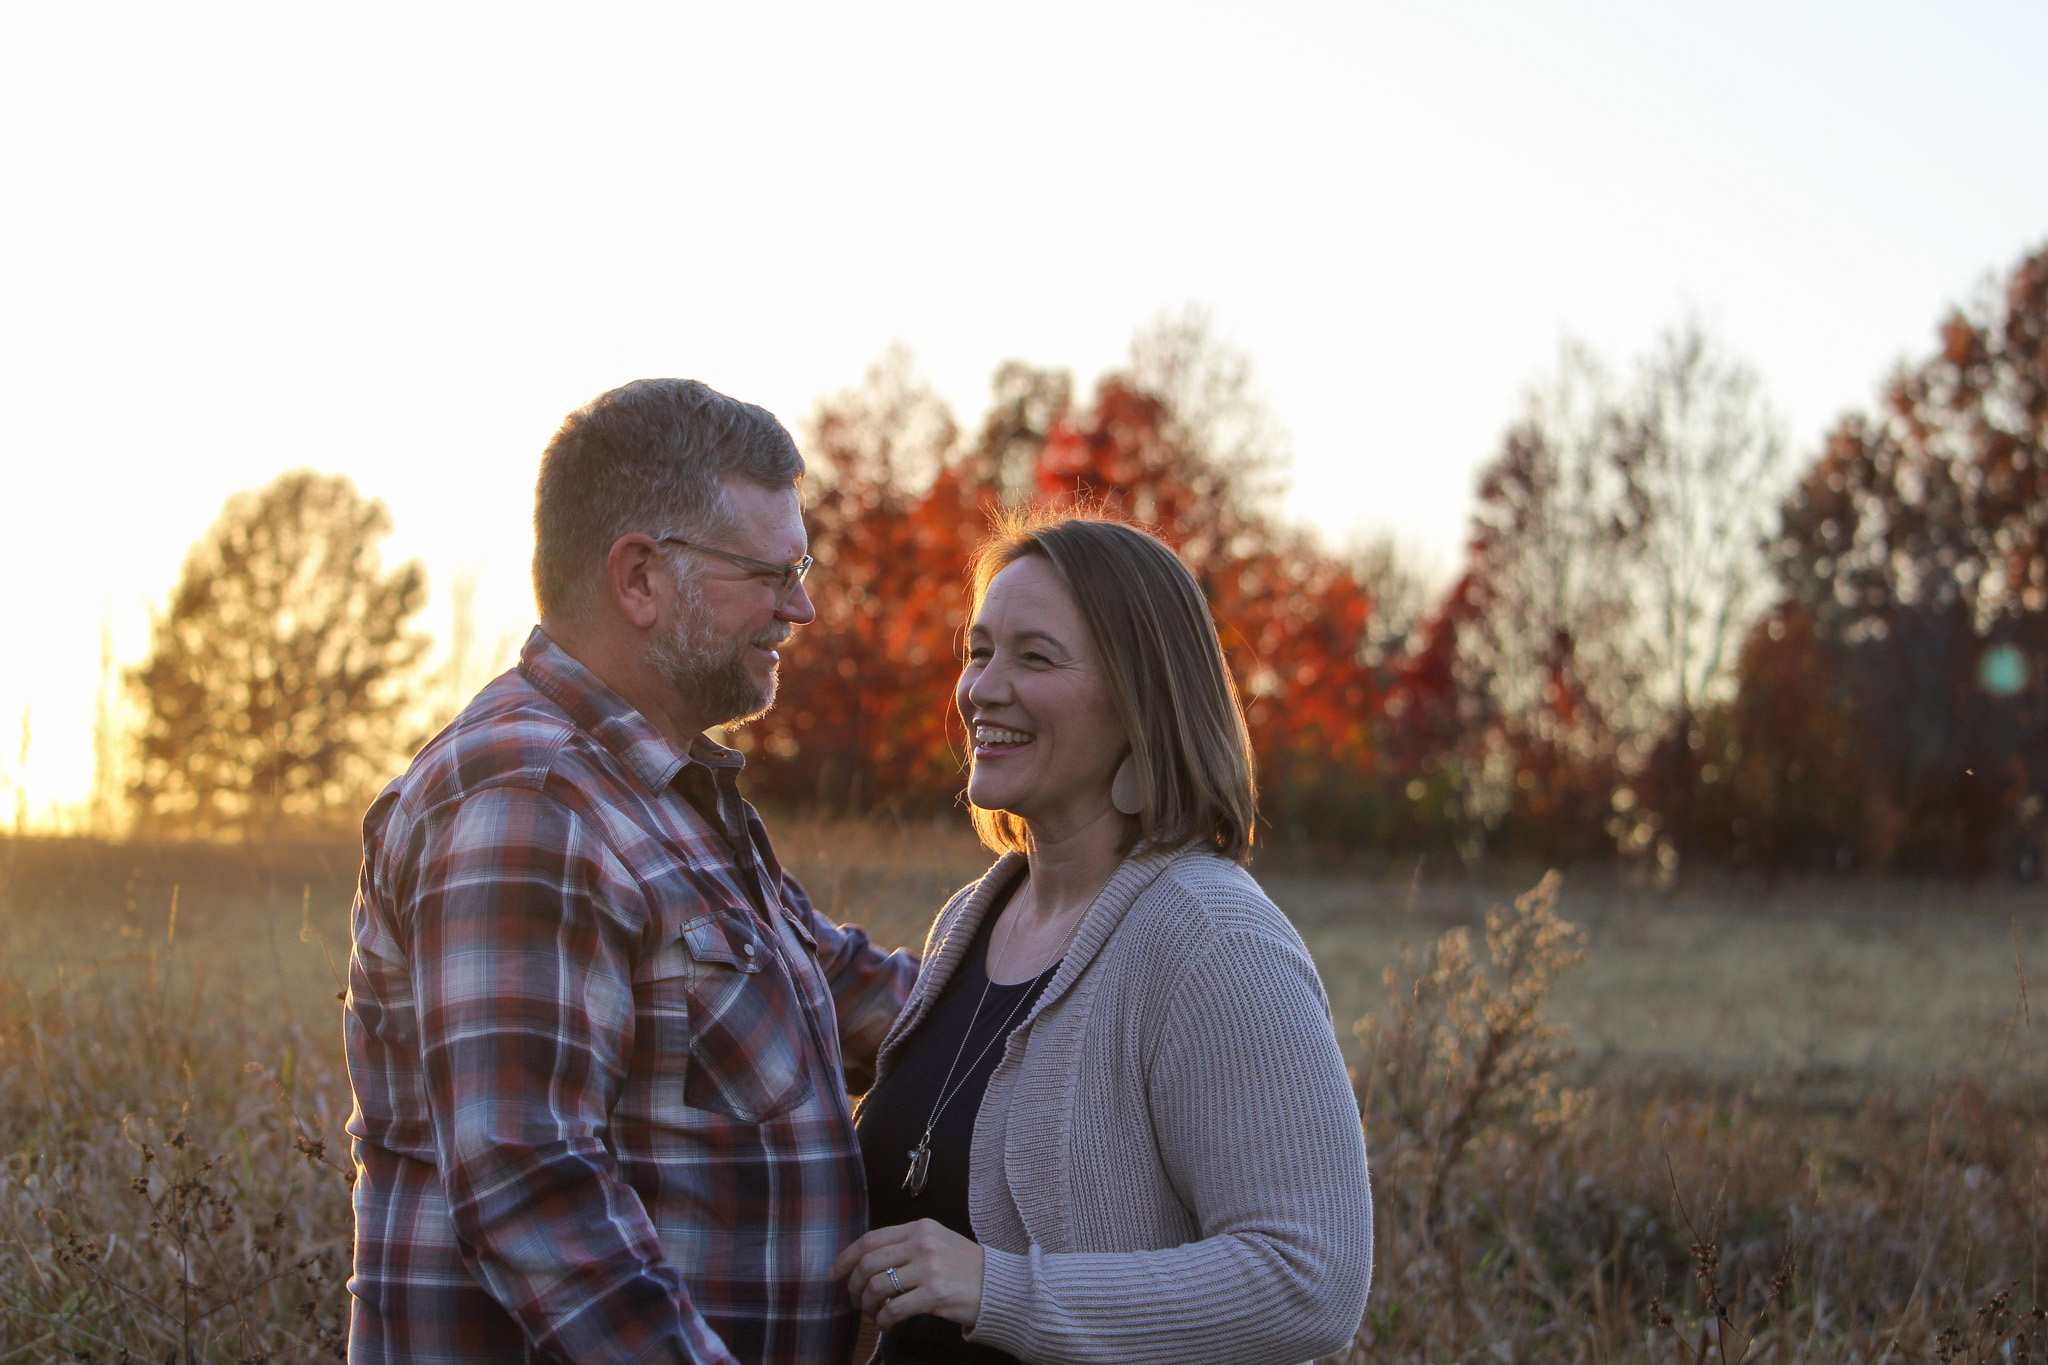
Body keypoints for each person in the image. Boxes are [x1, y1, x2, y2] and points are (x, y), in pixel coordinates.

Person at [345, 379, 918, 1365]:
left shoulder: (661, 796)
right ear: (641, 577)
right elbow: (531, 1188)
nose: (802, 605)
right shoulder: (530, 800)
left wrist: (1095, 994)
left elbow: (850, 990)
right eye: (771, 572)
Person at [834, 512, 1373, 1365]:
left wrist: (998, 1288)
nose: (982, 688)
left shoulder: (1211, 940)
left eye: (1035, 657)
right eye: (979, 651)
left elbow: (1311, 1279)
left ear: (1138, 701)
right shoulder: (972, 919)